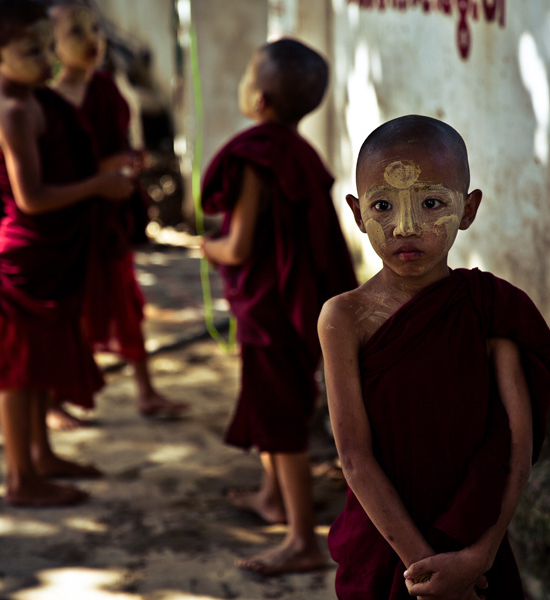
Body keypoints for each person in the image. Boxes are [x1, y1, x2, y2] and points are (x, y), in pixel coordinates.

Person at [317, 115, 550, 599]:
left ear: (468, 209)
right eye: (382, 205)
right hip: (386, 543)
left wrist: (478, 557)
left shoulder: (490, 309)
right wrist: (425, 571)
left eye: (432, 203)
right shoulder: (345, 318)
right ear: (358, 213)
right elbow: (354, 457)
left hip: (470, 538)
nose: (406, 227)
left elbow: (516, 444)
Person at [0, 0, 134, 507]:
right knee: (15, 374)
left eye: (47, 46)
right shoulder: (11, 111)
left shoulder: (32, 98)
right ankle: (19, 477)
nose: (46, 59)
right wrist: (99, 184)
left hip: (46, 256)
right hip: (19, 263)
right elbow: (31, 198)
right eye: (30, 50)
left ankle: (42, 455)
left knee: (34, 370)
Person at [200, 38, 358, 575]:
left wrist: (208, 247)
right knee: (274, 405)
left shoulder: (255, 158)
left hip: (272, 312)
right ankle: (271, 497)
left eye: (248, 75)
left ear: (261, 100)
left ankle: (300, 541)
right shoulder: (301, 152)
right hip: (299, 304)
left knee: (282, 421)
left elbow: (239, 246)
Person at [46, 0, 188, 430]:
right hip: (70, 221)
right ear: (50, 47)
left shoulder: (107, 88)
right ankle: (54, 399)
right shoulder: (49, 102)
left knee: (127, 304)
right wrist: (109, 168)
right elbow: (56, 170)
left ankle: (146, 391)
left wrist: (131, 160)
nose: (92, 41)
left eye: (96, 30)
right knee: (69, 311)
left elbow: (117, 144)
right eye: (75, 32)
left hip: (108, 219)